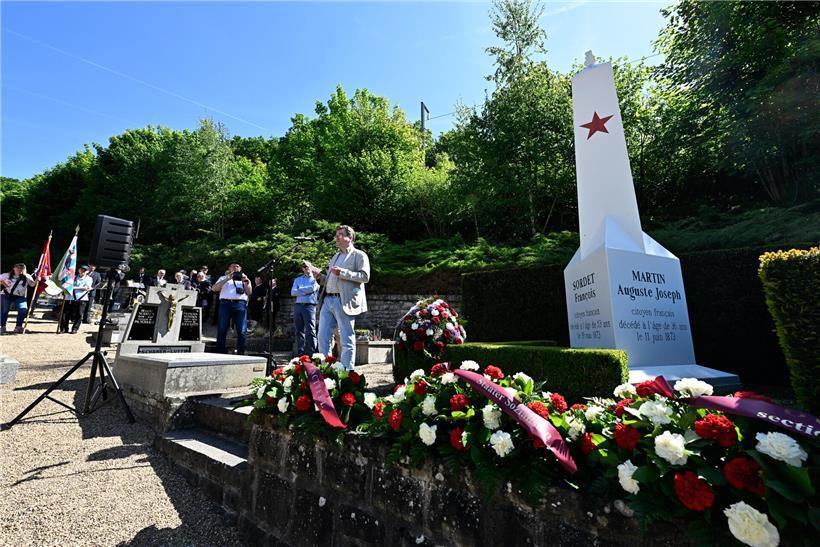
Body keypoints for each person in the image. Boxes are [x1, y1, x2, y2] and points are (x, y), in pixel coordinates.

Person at [314, 225, 370, 370]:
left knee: (346, 338)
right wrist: (320, 276)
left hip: (344, 301)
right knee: (322, 337)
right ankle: (326, 370)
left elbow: (365, 276)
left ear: (349, 238)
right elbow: (330, 280)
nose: (337, 237)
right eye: (336, 235)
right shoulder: (335, 256)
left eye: (340, 234)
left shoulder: (359, 255)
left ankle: (347, 372)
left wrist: (343, 272)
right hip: (328, 300)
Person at [212, 262, 252, 354]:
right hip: (225, 304)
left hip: (240, 304)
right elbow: (214, 288)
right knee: (222, 328)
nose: (235, 268)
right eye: (233, 266)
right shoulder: (223, 278)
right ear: (229, 268)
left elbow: (249, 292)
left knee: (242, 330)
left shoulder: (245, 279)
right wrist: (227, 279)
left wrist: (246, 281)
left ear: (240, 268)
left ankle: (241, 352)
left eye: (237, 266)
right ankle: (220, 351)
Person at [291, 262, 320, 356]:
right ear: (302, 269)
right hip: (298, 305)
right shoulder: (297, 279)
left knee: (311, 330)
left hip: (309, 306)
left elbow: (312, 289)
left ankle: (313, 353)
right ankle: (300, 353)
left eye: (307, 266)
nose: (306, 268)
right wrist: (305, 291)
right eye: (304, 266)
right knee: (299, 330)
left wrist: (300, 290)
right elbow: (293, 292)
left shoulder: (315, 279)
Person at [0, 263, 35, 334]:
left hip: (20, 296)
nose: (19, 270)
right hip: (6, 295)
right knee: (4, 311)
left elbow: (32, 284)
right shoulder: (6, 275)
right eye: (18, 268)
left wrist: (37, 279)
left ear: (24, 270)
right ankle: (2, 327)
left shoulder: (27, 276)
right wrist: (2, 282)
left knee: (23, 309)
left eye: (21, 268)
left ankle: (18, 327)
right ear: (14, 268)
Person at [60, 265, 93, 334]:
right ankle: (64, 328)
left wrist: (73, 288)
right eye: (81, 270)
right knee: (65, 314)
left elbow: (86, 288)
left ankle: (75, 329)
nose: (82, 272)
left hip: (82, 298)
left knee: (79, 314)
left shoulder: (89, 279)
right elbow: (66, 285)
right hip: (70, 298)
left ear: (87, 272)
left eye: (84, 270)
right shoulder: (73, 277)